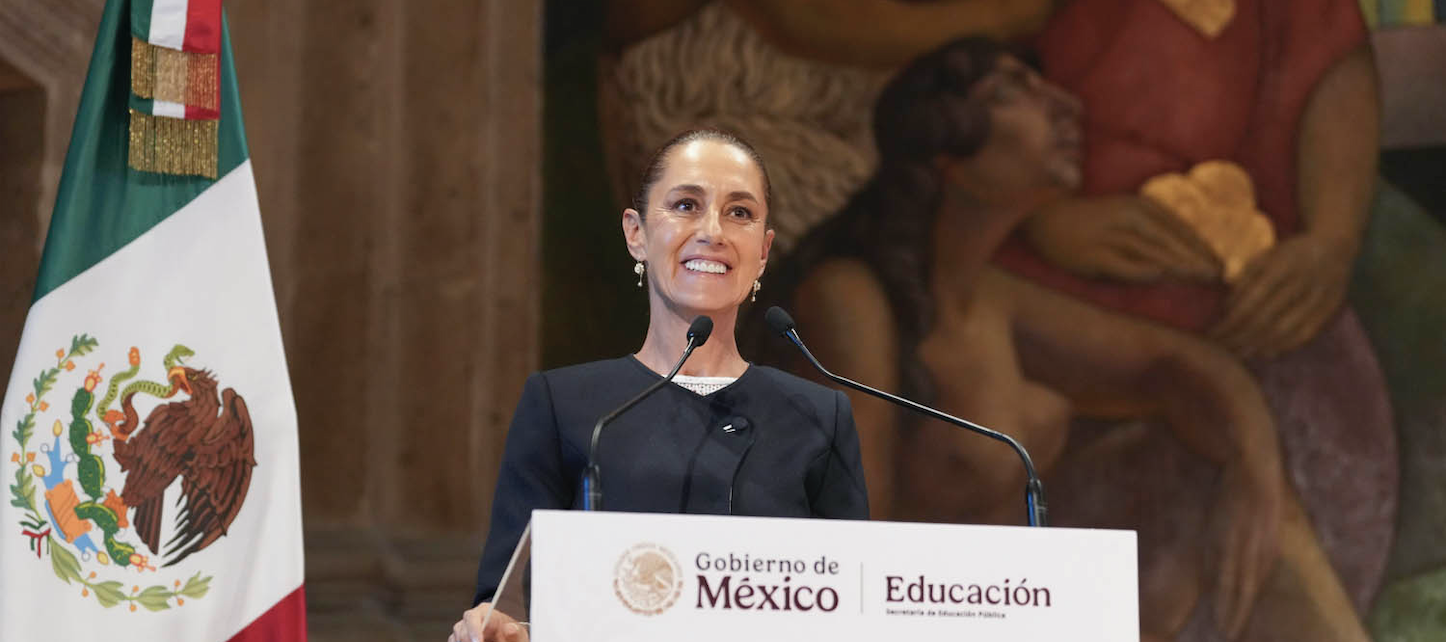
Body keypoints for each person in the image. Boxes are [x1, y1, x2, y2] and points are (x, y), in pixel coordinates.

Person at [747, 38, 1367, 641]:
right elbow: (845, 558)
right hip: (929, 622)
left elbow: (1179, 365)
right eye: (1012, 92)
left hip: (1023, 608)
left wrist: (1253, 466)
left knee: (1235, 495)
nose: (1066, 104)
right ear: (948, 155)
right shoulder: (849, 300)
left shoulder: (987, 295)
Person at [448, 128, 870, 642]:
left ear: (762, 251)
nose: (713, 230)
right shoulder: (565, 405)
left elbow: (854, 607)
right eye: (686, 205)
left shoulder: (819, 415)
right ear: (636, 233)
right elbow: (507, 603)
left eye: (740, 212)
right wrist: (491, 626)